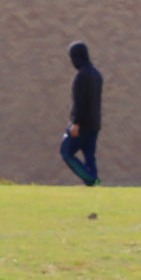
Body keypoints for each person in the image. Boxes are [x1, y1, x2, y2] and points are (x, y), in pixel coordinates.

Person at [58, 40, 103, 185]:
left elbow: (80, 102)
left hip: (82, 124)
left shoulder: (82, 76)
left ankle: (90, 179)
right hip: (95, 123)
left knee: (66, 152)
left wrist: (75, 123)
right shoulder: (97, 74)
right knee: (90, 157)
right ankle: (93, 183)